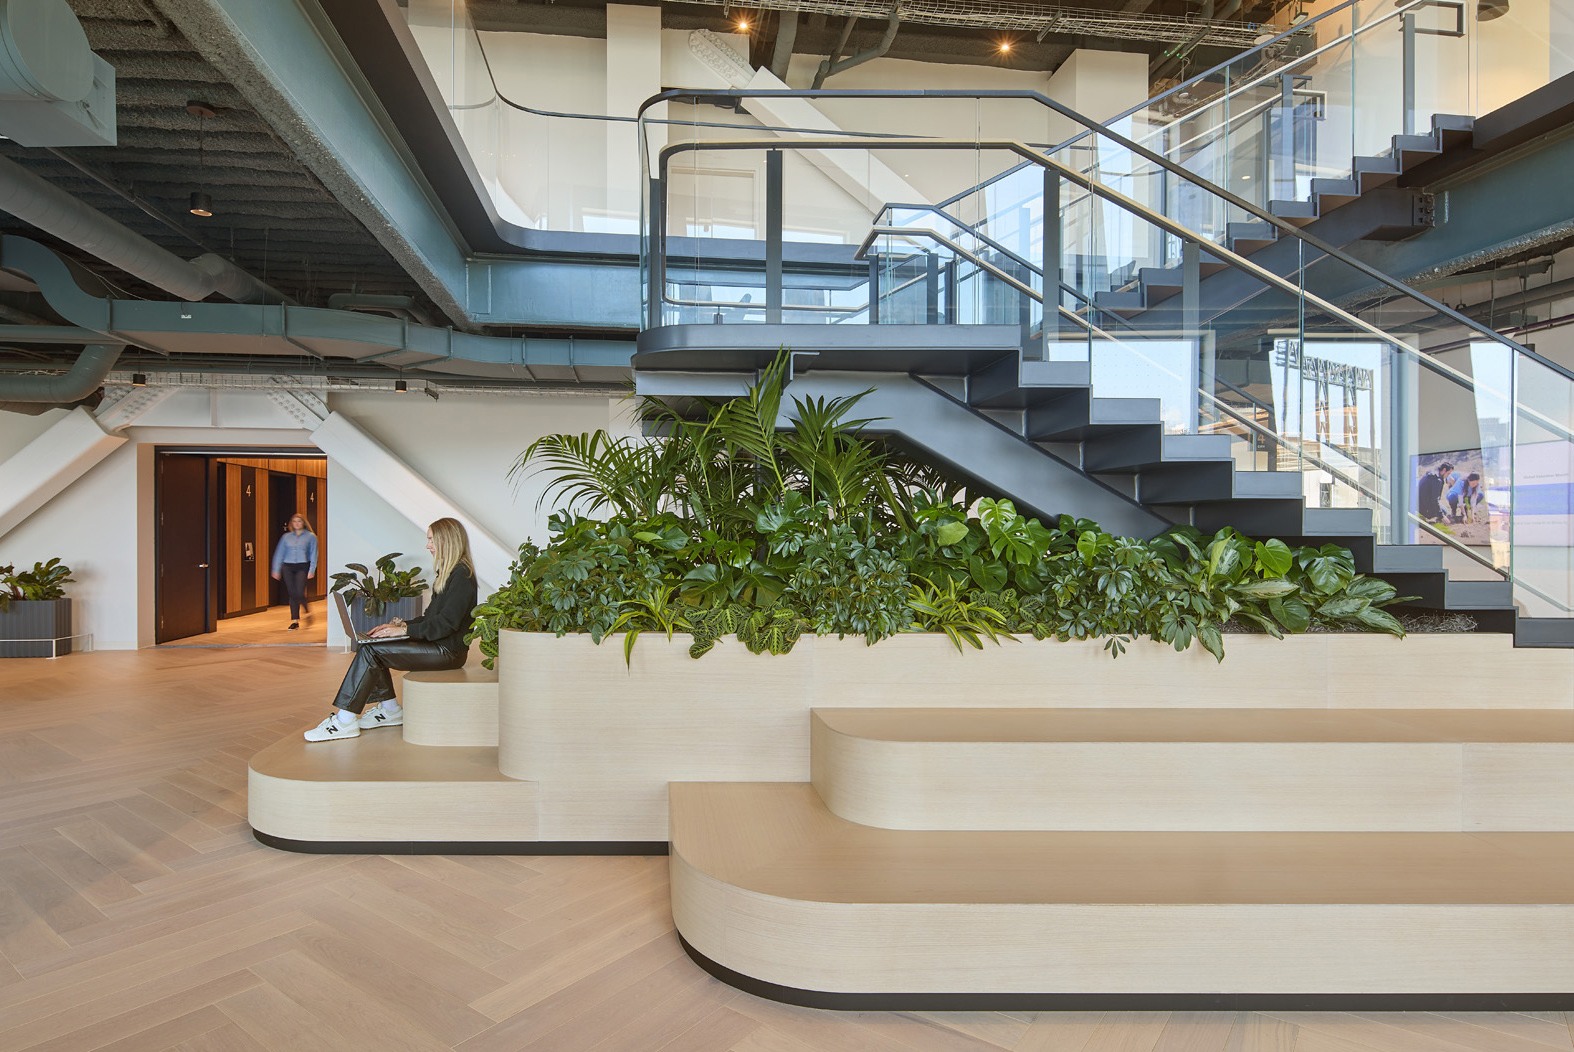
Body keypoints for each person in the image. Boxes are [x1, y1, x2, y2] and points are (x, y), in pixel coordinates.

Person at [305, 517, 479, 742]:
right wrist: (399, 626)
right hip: (439, 645)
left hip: (448, 652)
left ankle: (345, 721)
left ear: (446, 540)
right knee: (372, 645)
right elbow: (429, 618)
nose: (427, 545)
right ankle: (390, 710)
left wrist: (404, 630)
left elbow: (445, 624)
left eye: (430, 540)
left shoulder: (462, 577)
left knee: (371, 652)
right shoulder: (448, 573)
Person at [270, 512, 318, 630]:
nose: (297, 523)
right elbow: (279, 553)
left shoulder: (311, 536)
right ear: (292, 523)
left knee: (299, 592)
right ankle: (295, 621)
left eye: (299, 521)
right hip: (287, 567)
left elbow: (314, 554)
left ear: (303, 523)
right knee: (292, 592)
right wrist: (276, 569)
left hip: (302, 566)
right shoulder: (286, 537)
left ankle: (307, 610)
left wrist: (312, 569)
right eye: (294, 521)